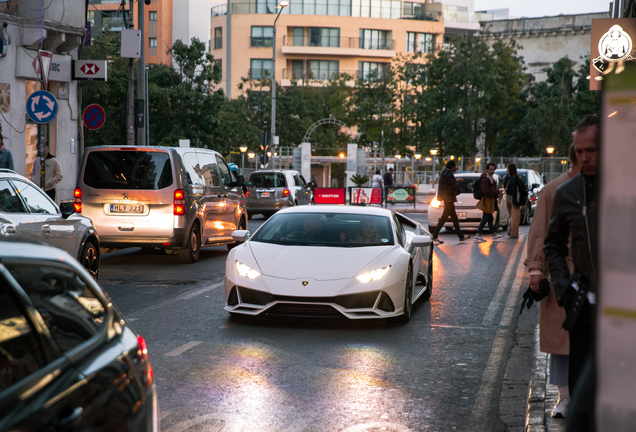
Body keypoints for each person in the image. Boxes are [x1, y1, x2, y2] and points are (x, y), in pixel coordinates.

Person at [544, 115, 599, 429]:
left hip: (623, 309)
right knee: (581, 398)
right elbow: (552, 245)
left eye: (591, 150)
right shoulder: (567, 193)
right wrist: (565, 288)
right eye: (579, 151)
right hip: (583, 308)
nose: (585, 157)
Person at [524, 143, 580, 419]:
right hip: (563, 276)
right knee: (562, 340)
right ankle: (564, 396)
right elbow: (538, 232)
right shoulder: (552, 191)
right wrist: (536, 269)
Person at [430, 161, 470, 244]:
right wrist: (459, 189)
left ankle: (461, 237)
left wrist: (455, 181)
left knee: (454, 218)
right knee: (444, 218)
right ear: (452, 167)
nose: (455, 168)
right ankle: (435, 236)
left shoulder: (445, 173)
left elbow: (448, 183)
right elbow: (453, 185)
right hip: (448, 198)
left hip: (447, 198)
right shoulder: (448, 174)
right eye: (455, 166)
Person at [474, 162, 505, 243]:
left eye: (493, 170)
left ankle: (494, 234)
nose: (492, 171)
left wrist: (496, 194)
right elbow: (486, 191)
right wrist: (497, 191)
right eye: (490, 169)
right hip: (486, 201)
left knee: (490, 218)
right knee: (485, 218)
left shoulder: (489, 178)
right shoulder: (486, 179)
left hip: (489, 201)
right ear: (487, 169)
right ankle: (477, 235)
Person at [503, 163, 527, 239]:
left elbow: (503, 186)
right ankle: (514, 233)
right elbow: (522, 188)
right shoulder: (517, 177)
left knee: (510, 215)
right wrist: (525, 195)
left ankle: (509, 229)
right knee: (515, 216)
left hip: (507, 197)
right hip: (515, 197)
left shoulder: (506, 177)